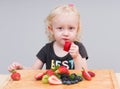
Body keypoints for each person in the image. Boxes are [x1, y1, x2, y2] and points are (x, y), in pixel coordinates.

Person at [8, 4, 88, 72]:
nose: (66, 33)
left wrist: (76, 57)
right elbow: (33, 71)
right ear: (51, 30)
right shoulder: (47, 49)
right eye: (60, 28)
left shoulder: (79, 48)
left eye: (71, 28)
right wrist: (21, 69)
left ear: (77, 29)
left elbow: (84, 72)